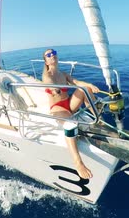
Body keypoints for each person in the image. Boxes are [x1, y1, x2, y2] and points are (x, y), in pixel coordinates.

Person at [41, 48, 100, 179]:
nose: (52, 56)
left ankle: (98, 118)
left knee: (85, 89)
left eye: (54, 53)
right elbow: (49, 84)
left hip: (69, 104)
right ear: (46, 61)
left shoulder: (63, 74)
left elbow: (77, 83)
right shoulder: (47, 75)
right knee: (70, 125)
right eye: (48, 55)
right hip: (58, 108)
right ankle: (78, 163)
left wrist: (90, 85)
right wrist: (54, 89)